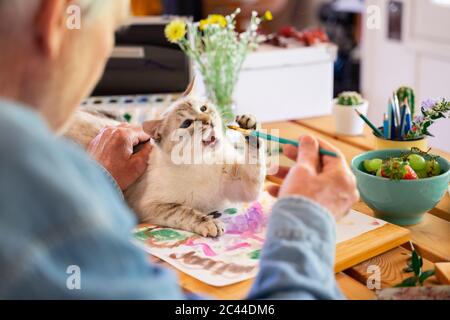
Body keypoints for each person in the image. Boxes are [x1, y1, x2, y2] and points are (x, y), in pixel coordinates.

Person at [0, 0, 359, 299]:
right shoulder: (41, 192)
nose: (106, 49)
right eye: (110, 32)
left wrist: (98, 179)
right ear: (56, 21)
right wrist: (307, 219)